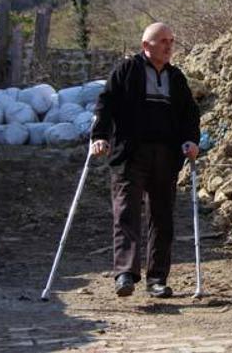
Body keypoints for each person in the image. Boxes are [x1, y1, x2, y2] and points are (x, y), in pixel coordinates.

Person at [90, 23, 200, 298]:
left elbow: (189, 114)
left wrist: (191, 141)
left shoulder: (176, 78)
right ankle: (125, 274)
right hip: (131, 152)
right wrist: (100, 136)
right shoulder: (126, 71)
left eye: (171, 41)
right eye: (163, 41)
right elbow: (106, 104)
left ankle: (157, 280)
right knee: (127, 211)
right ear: (145, 46)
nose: (168, 45)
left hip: (166, 154)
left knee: (162, 217)